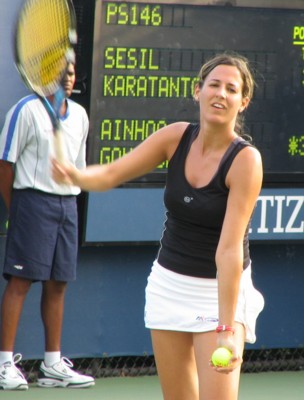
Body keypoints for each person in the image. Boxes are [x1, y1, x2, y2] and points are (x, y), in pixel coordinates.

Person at [52, 53, 264, 400]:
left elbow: (228, 250)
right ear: (198, 91)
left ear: (243, 102)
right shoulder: (175, 137)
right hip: (169, 286)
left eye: (231, 89)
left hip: (219, 291)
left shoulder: (246, 161)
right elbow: (111, 173)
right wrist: (76, 175)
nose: (220, 94)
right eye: (213, 85)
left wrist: (227, 327)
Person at [0, 62, 95, 390]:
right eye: (60, 72)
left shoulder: (80, 116)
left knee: (58, 284)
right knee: (21, 282)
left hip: (67, 206)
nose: (68, 77)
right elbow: (4, 163)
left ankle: (52, 364)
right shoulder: (25, 110)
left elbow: (79, 169)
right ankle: (3, 364)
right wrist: (18, 209)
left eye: (71, 72)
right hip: (31, 203)